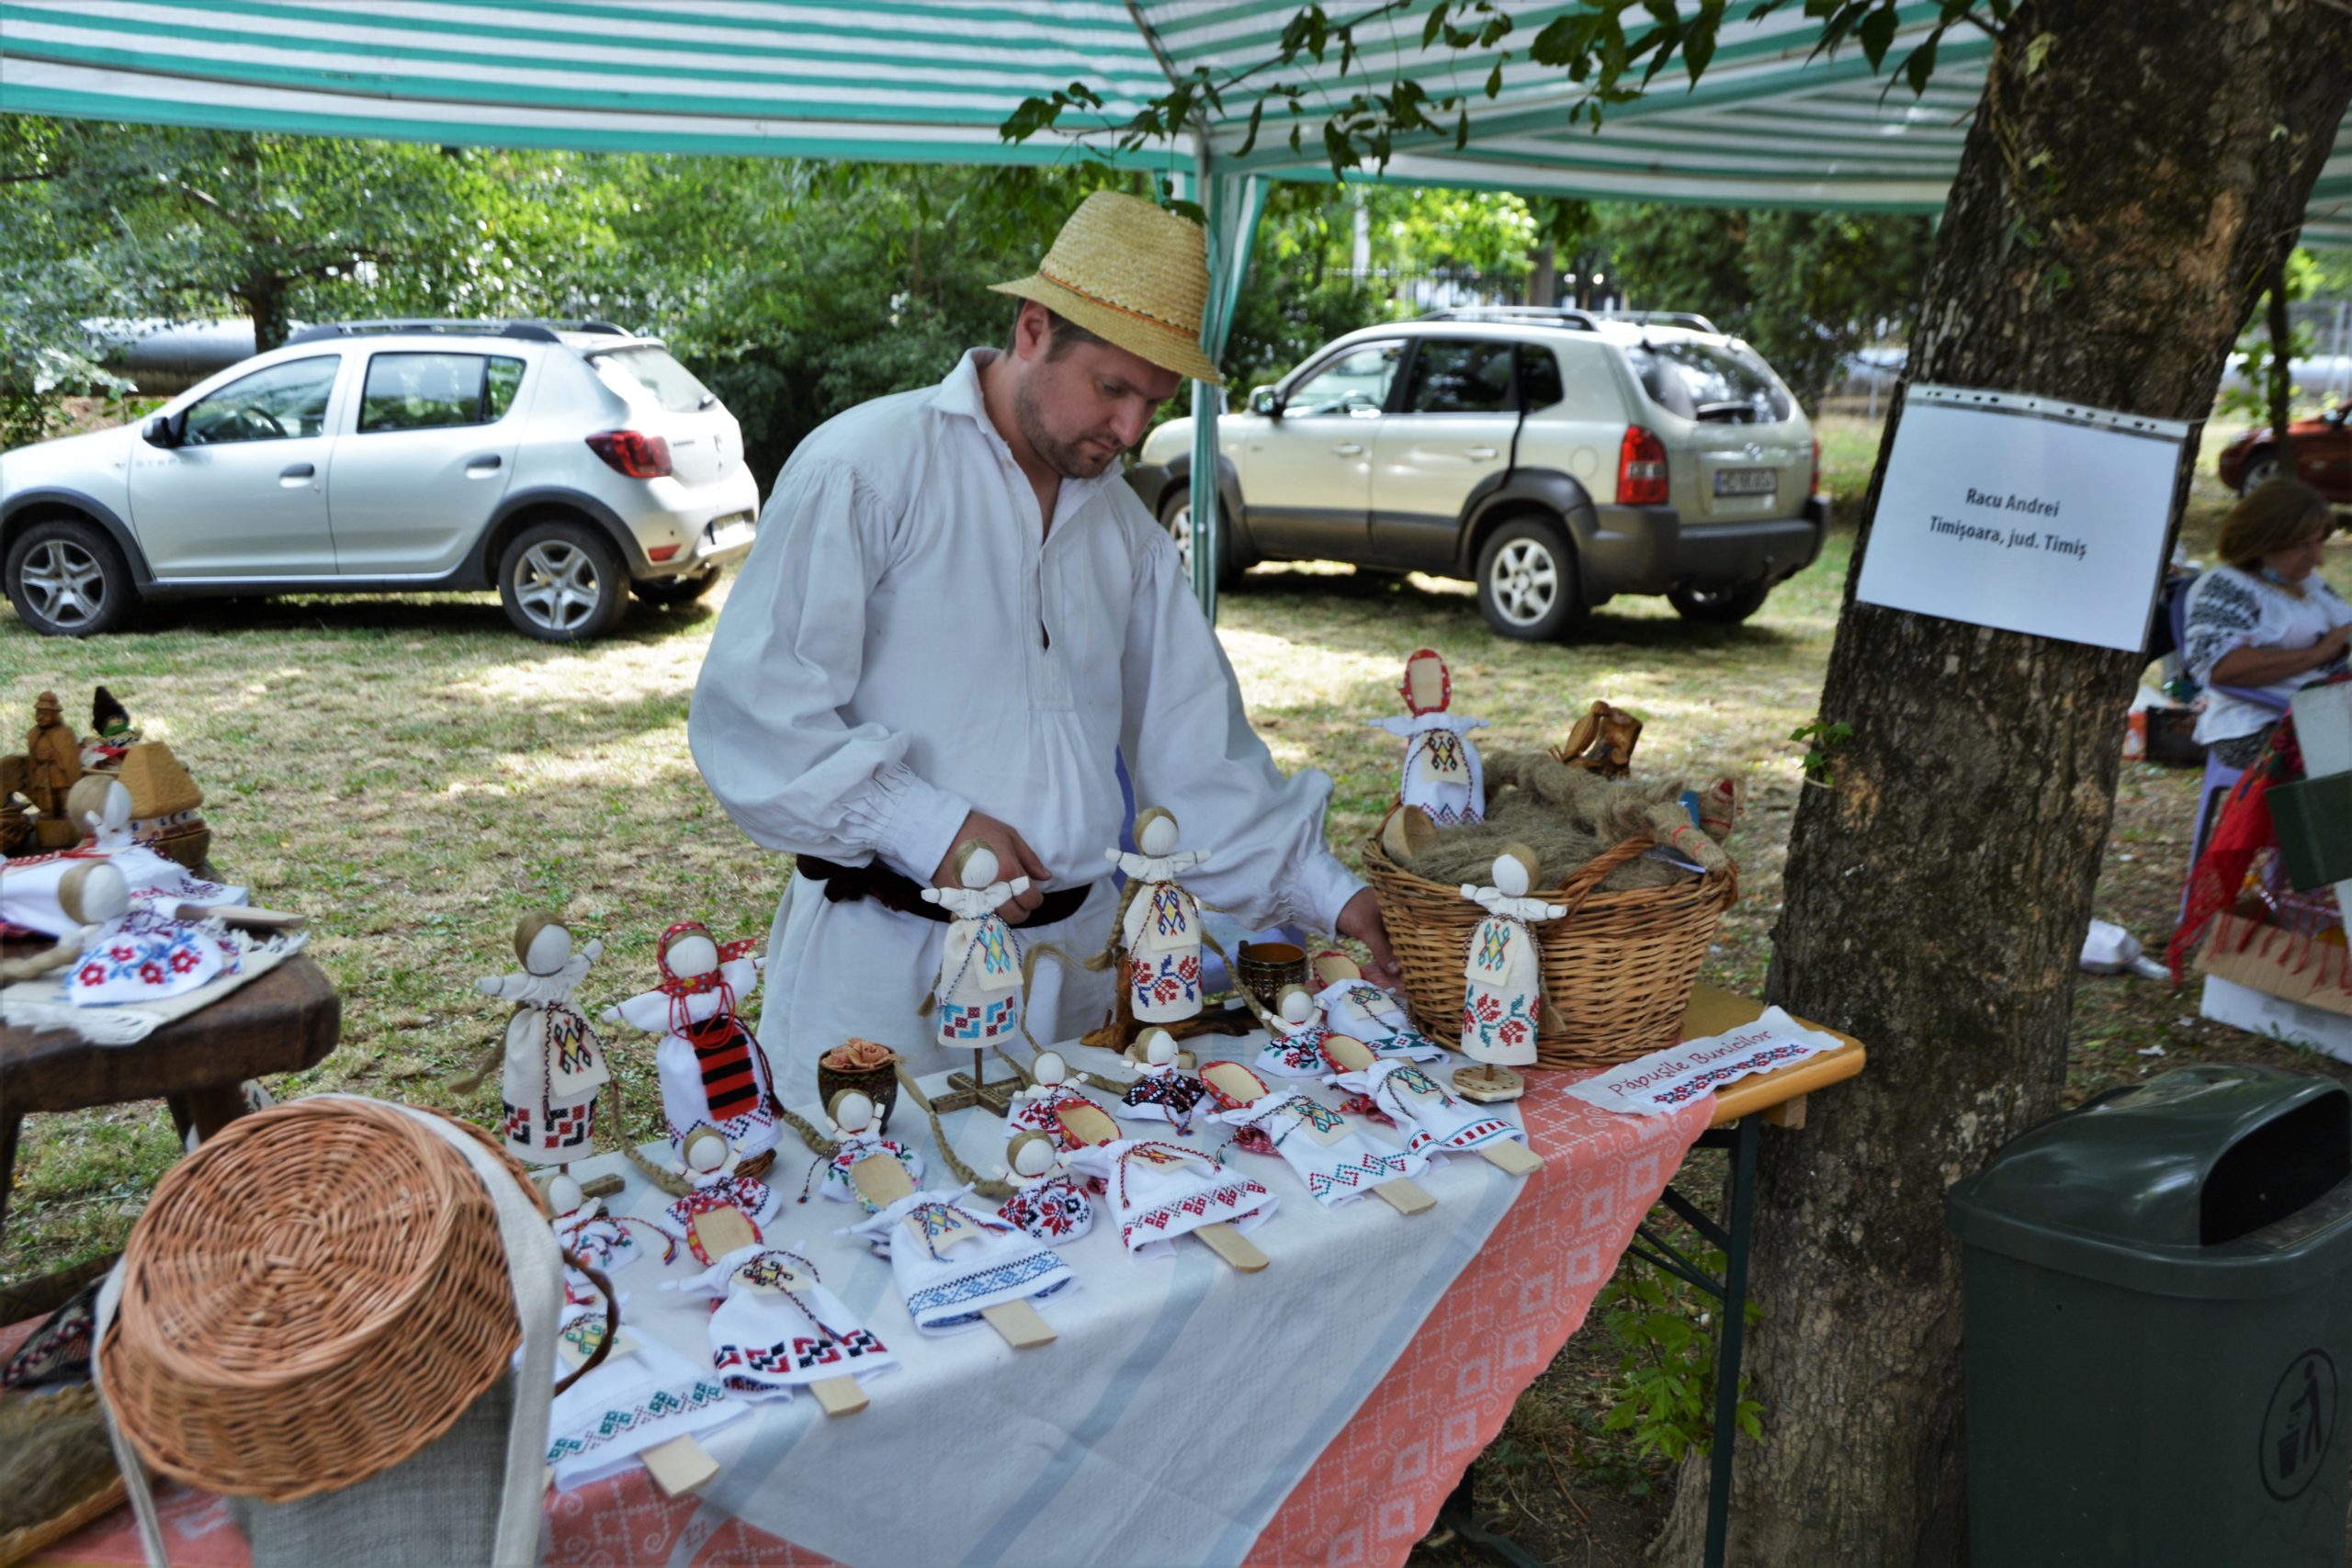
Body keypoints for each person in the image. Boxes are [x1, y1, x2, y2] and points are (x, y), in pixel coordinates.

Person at [690, 190, 1399, 1104]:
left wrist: (1331, 893)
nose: (1133, 429)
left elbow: (1192, 751)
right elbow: (755, 713)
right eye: (1113, 388)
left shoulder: (1126, 532)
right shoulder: (864, 470)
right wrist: (924, 826)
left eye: (1154, 401)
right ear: (1032, 330)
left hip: (1075, 986)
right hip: (881, 974)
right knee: (873, 1212)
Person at [2181, 479, 2349, 767]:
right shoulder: (2228, 587)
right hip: (2261, 726)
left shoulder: (2308, 583)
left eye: (2319, 542)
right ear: (2262, 541)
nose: (2317, 557)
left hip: (2324, 714)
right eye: (2303, 545)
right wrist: (2318, 654)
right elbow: (2220, 668)